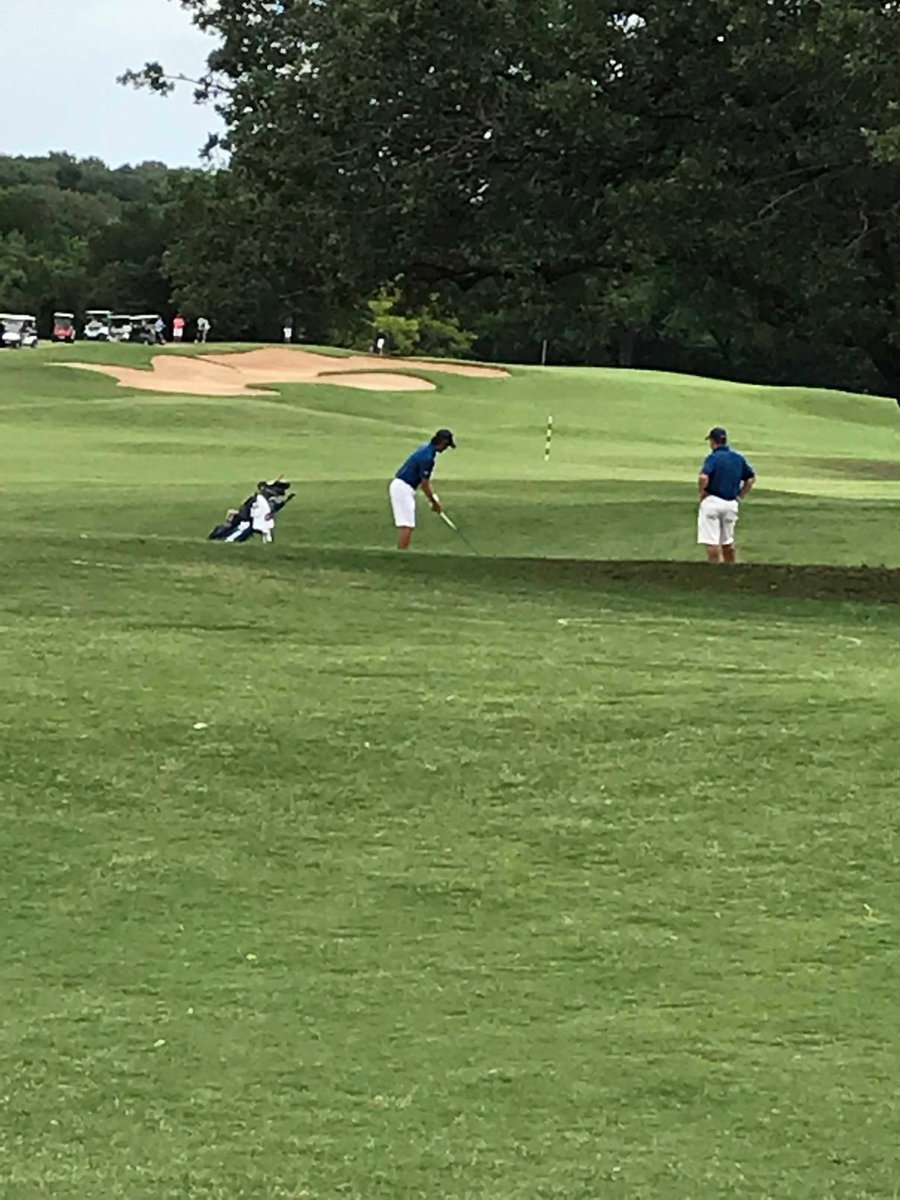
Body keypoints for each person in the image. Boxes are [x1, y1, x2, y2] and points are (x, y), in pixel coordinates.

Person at [698, 426, 756, 563]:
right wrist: (741, 494)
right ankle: (731, 570)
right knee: (727, 541)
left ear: (713, 441)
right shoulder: (737, 458)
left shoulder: (713, 458)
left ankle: (715, 572)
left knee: (712, 541)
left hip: (712, 501)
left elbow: (703, 477)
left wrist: (702, 493)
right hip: (731, 503)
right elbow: (750, 478)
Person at [389, 429, 456, 550]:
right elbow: (424, 484)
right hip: (403, 487)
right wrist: (434, 502)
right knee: (407, 525)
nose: (446, 449)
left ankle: (402, 552)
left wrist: (433, 500)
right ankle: (401, 554)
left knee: (407, 525)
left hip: (403, 486)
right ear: (443, 442)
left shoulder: (425, 448)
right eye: (447, 445)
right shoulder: (428, 458)